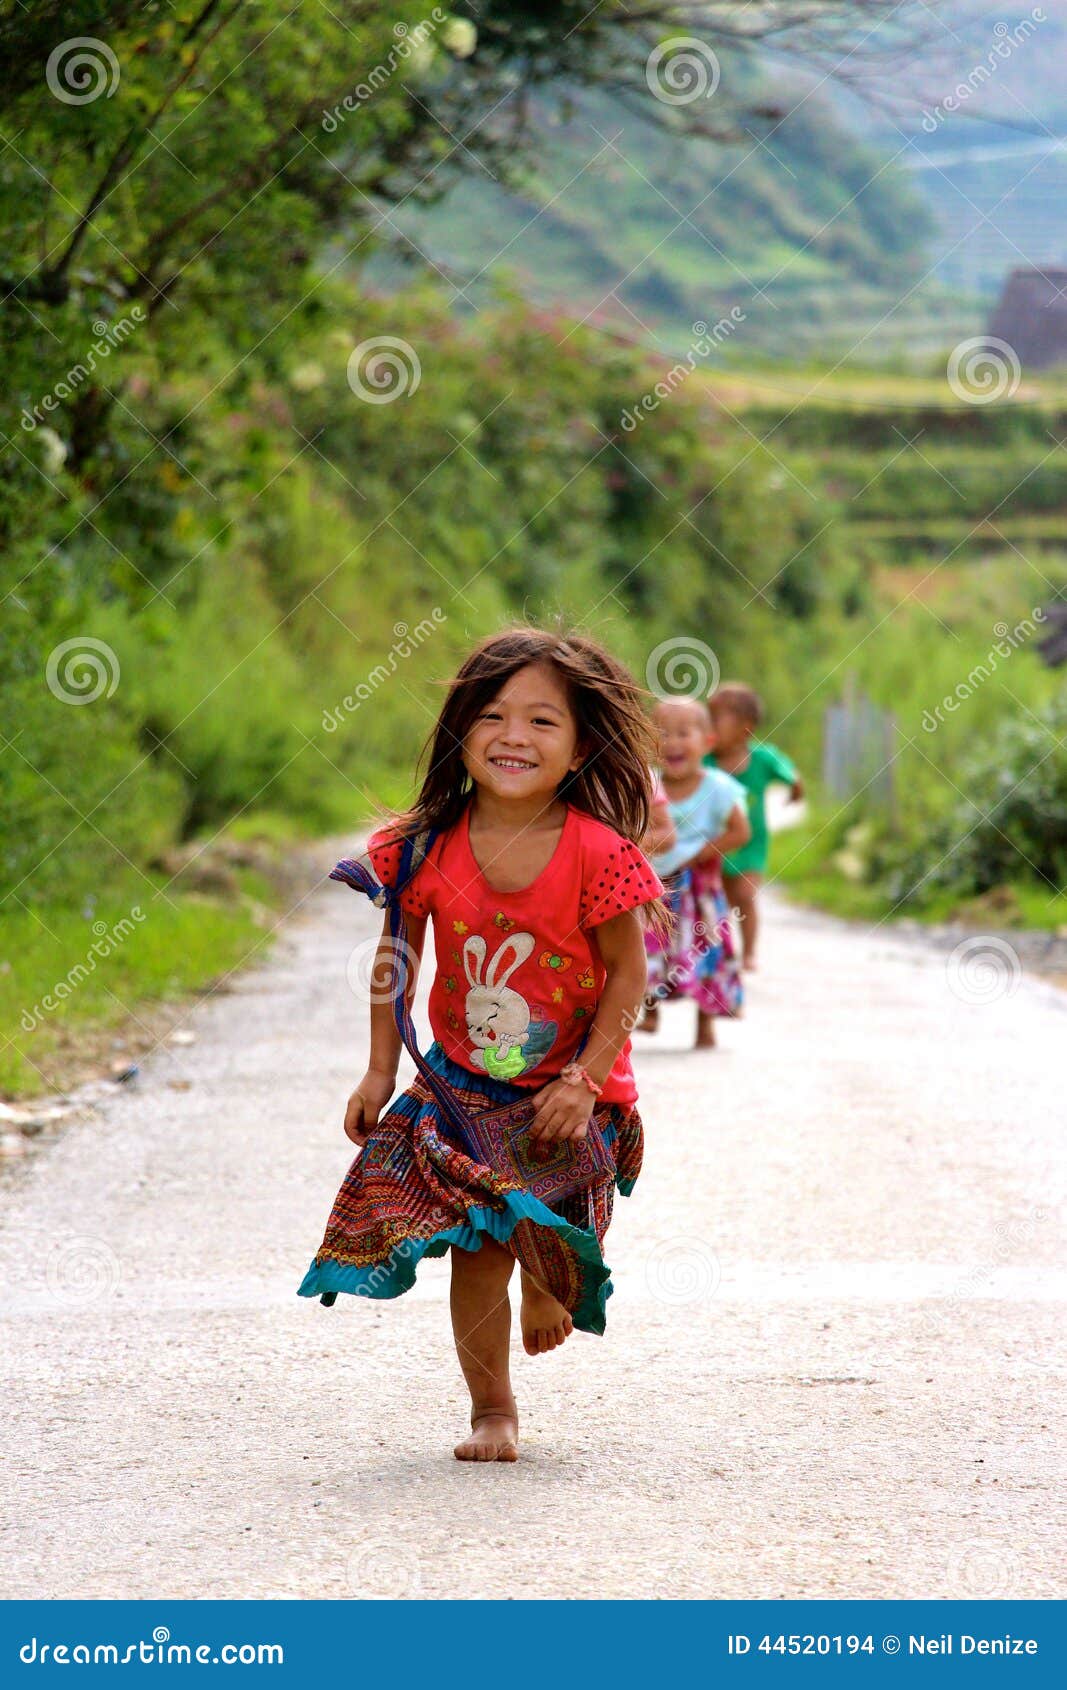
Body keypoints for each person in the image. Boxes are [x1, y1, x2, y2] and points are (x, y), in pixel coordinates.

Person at [298, 627, 668, 1464]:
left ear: (578, 750)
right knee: (476, 1250)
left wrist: (584, 1078)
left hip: (567, 1092)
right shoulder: (424, 846)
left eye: (543, 722)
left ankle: (548, 1272)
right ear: (461, 731)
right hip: (462, 1086)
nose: (513, 737)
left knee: (542, 1226)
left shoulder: (598, 855)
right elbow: (398, 958)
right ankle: (492, 1410)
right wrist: (379, 1066)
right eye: (493, 716)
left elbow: (625, 976)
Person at [639, 697, 750, 1048]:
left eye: (683, 733)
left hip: (700, 887)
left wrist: (701, 853)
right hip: (658, 885)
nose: (672, 742)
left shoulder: (717, 787)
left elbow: (740, 831)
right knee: (647, 946)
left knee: (705, 950)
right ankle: (649, 1011)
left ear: (707, 742)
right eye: (662, 734)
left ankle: (705, 1025)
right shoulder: (647, 783)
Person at [706, 682, 804, 971]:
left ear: (745, 728)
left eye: (716, 719)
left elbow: (788, 772)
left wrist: (795, 787)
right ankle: (720, 951)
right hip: (716, 842)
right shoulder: (705, 761)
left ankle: (749, 951)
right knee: (718, 900)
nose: (708, 725)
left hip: (751, 843)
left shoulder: (762, 757)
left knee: (745, 896)